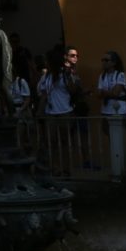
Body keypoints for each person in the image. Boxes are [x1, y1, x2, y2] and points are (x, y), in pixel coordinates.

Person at [38, 45, 83, 175]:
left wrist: (70, 77)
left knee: (65, 142)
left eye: (47, 60)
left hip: (65, 112)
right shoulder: (47, 76)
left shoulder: (65, 74)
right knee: (52, 142)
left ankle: (66, 168)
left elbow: (73, 90)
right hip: (51, 114)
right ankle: (57, 167)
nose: (45, 63)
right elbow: (44, 95)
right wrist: (40, 112)